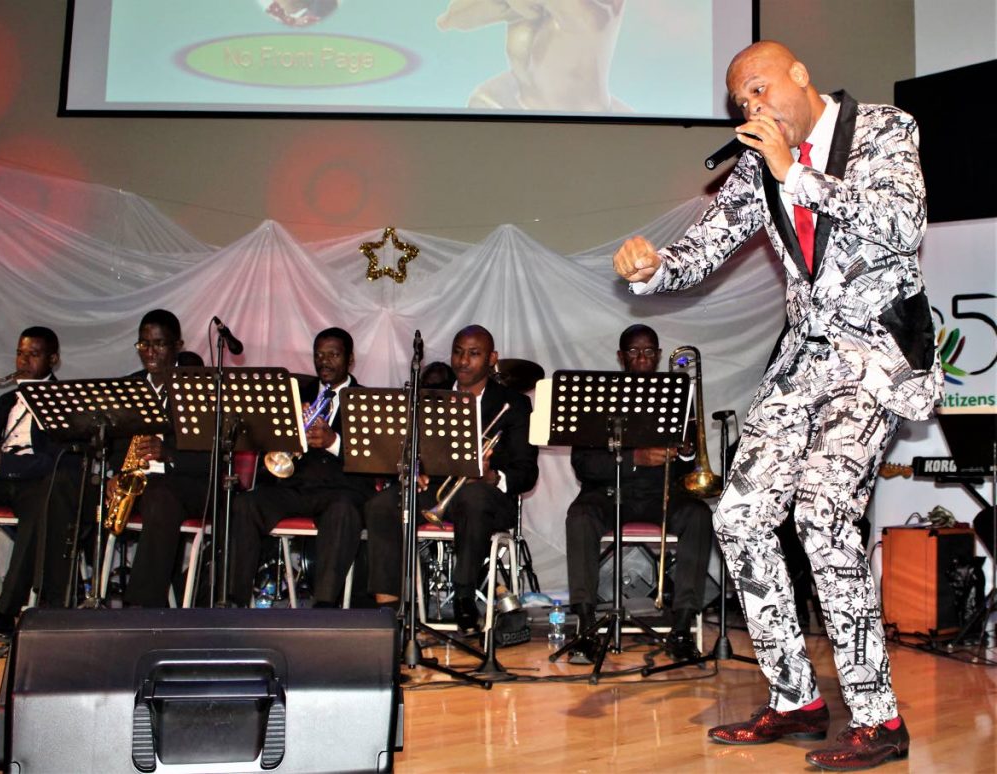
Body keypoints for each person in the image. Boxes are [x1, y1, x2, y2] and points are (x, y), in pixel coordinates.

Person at [613, 41, 942, 770]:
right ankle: (796, 700)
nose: (751, 109)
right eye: (740, 104)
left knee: (824, 510)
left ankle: (878, 719)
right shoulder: (760, 162)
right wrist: (652, 269)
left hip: (875, 355)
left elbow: (902, 224)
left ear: (800, 75)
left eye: (759, 90)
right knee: (739, 514)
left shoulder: (887, 128)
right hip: (806, 361)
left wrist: (800, 175)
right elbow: (702, 250)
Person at [363, 325, 539, 634]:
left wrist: (492, 476)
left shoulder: (515, 404)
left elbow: (527, 472)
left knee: (473, 498)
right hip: (436, 491)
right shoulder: (432, 394)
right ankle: (387, 609)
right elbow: (407, 447)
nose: (463, 361)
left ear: (492, 358)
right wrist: (413, 469)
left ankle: (464, 597)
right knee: (382, 505)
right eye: (458, 352)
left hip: (489, 498)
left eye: (474, 354)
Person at [564, 324, 714, 663]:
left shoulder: (678, 396)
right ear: (620, 357)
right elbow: (583, 463)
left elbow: (688, 467)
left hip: (662, 492)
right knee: (580, 516)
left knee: (699, 515)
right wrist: (634, 458)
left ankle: (682, 628)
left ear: (660, 356)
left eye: (649, 351)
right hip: (610, 490)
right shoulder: (598, 396)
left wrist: (688, 453)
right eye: (634, 351)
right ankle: (586, 626)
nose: (642, 358)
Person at [228, 327, 376, 607]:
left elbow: (372, 459)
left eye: (333, 354)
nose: (324, 361)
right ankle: (236, 600)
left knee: (343, 511)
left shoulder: (365, 400)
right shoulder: (296, 394)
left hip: (341, 489)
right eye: (319, 355)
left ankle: (323, 605)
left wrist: (333, 442)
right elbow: (265, 439)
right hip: (294, 485)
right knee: (245, 504)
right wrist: (290, 430)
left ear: (350, 360)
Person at [0, 328, 82, 641]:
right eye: (21, 353)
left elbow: (57, 461)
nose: (24, 360)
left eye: (34, 354)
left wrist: (1, 462)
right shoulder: (6, 399)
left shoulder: (64, 400)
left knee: (39, 514)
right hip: (1, 478)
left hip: (37, 482)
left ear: (53, 360)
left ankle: (5, 615)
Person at [110, 310, 211, 607]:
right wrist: (114, 475)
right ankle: (70, 599)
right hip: (142, 482)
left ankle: (141, 606)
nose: (150, 352)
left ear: (178, 345)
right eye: (143, 344)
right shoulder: (131, 385)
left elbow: (210, 458)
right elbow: (117, 445)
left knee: (160, 496)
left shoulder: (198, 385)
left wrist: (167, 453)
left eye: (159, 344)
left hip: (190, 483)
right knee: (73, 489)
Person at [437, 0, 630, 113]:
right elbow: (454, 18)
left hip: (582, 127)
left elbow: (587, 17)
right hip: (512, 104)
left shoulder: (598, 11)